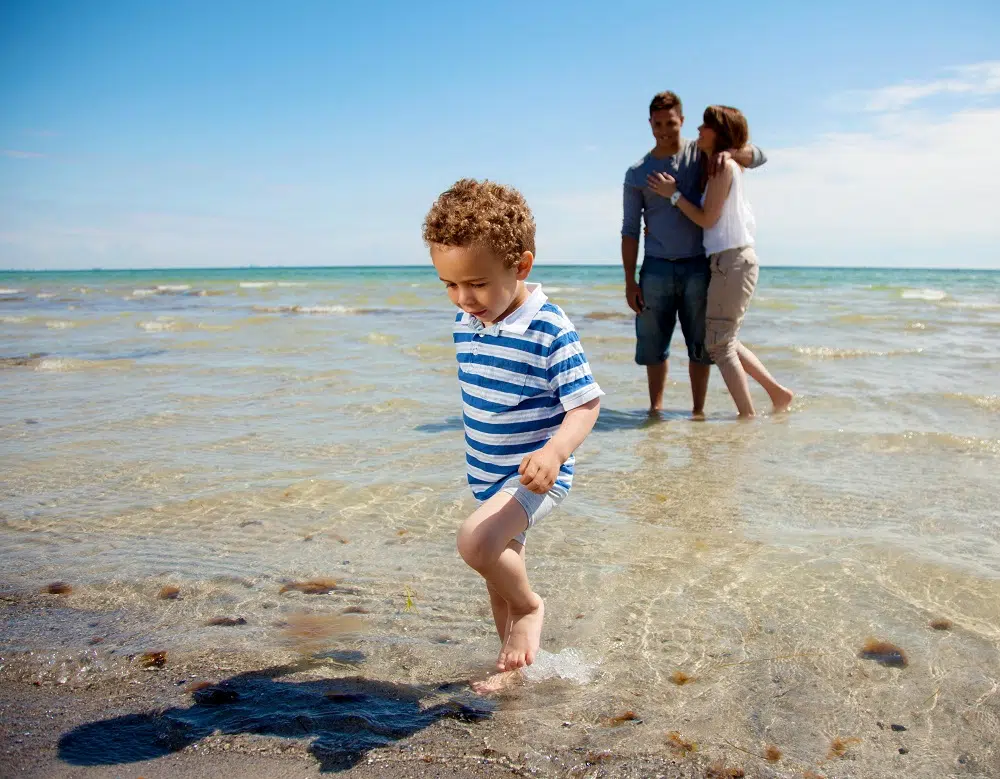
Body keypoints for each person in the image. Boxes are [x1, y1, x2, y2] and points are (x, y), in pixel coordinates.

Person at [422, 179, 603, 690]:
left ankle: (531, 608)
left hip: (535, 473)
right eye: (450, 285)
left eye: (476, 283)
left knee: (476, 543)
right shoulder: (468, 318)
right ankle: (514, 670)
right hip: (486, 471)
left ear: (521, 266)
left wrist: (556, 450)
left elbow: (586, 402)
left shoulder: (549, 327)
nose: (463, 298)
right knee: (497, 571)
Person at [622, 91, 767, 416]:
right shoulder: (637, 172)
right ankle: (655, 412)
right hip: (656, 268)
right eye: (657, 124)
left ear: (681, 121)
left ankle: (698, 413)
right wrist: (629, 280)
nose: (664, 130)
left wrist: (730, 150)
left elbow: (759, 156)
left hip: (700, 267)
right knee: (653, 347)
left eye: (670, 123)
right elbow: (630, 230)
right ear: (649, 123)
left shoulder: (702, 153)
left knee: (702, 348)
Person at [647, 105, 794, 416]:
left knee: (719, 345)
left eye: (705, 126)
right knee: (724, 340)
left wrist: (672, 195)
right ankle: (778, 394)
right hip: (727, 261)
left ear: (721, 133)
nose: (698, 131)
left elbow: (707, 218)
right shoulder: (713, 161)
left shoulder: (724, 165)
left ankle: (747, 417)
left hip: (732, 260)